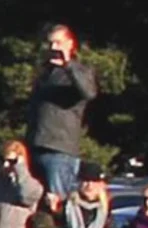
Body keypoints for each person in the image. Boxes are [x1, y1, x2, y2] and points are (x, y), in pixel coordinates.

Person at [26, 25, 97, 203]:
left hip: (59, 151)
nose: (53, 48)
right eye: (50, 43)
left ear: (70, 44)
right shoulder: (45, 75)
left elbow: (89, 93)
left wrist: (68, 65)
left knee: (58, 203)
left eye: (58, 42)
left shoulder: (79, 71)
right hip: (35, 147)